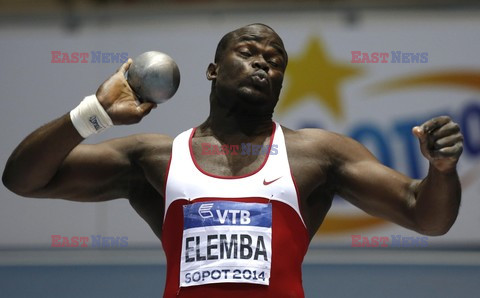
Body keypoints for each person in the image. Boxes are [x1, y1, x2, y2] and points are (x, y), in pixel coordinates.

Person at [2, 23, 463, 298]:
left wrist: (441, 171)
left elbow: (426, 216)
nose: (263, 65)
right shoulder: (155, 158)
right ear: (214, 70)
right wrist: (93, 114)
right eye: (247, 53)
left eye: (275, 60)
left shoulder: (318, 155)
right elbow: (23, 179)